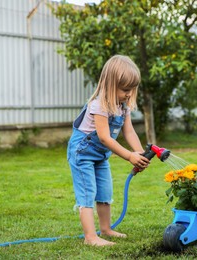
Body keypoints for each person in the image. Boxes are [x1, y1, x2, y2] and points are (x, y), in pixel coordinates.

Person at [67, 55, 150, 246]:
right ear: (111, 84)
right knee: (87, 193)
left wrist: (140, 153)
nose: (129, 94)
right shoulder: (99, 105)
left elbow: (128, 131)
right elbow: (104, 137)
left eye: (132, 89)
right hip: (82, 154)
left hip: (101, 155)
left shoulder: (123, 106)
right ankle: (90, 238)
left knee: (105, 192)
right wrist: (129, 156)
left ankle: (105, 229)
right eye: (125, 90)